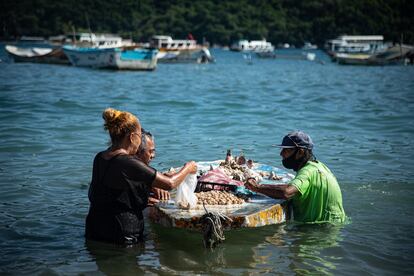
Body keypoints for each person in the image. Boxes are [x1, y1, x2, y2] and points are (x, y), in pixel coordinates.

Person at [85, 108, 197, 245]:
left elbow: (112, 190)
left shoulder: (100, 157)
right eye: (139, 135)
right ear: (132, 137)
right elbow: (170, 183)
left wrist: (148, 190)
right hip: (122, 234)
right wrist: (188, 167)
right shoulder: (128, 162)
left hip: (94, 229)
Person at [245, 131, 346, 224]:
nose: (281, 154)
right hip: (336, 224)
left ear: (300, 152)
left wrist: (257, 187)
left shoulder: (306, 172)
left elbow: (287, 192)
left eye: (286, 150)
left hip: (319, 230)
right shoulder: (320, 167)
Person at [135, 129, 169, 203]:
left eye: (154, 151)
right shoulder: (131, 165)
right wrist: (189, 167)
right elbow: (170, 184)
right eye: (150, 151)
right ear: (138, 151)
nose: (153, 156)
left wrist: (152, 184)